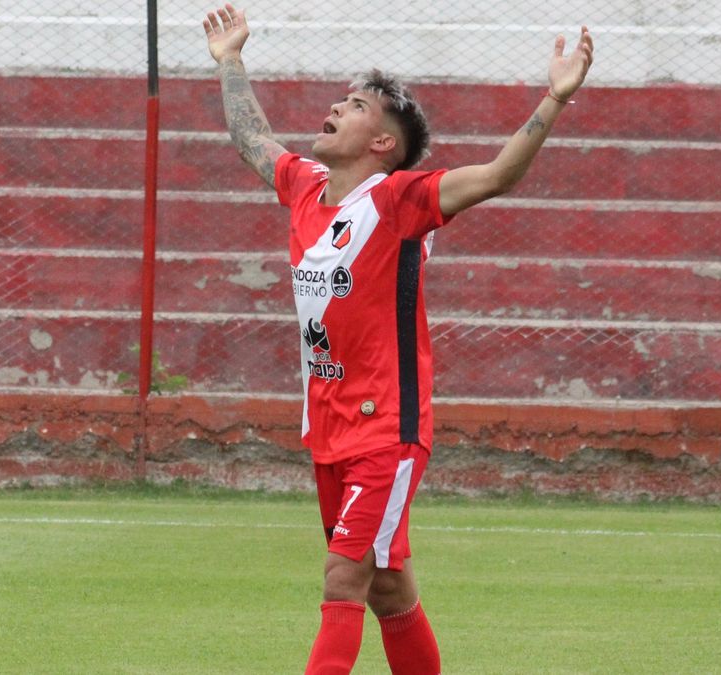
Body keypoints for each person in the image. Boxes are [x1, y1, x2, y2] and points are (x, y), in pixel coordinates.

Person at [203, 5, 593, 673]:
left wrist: (554, 98)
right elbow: (251, 139)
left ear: (382, 143)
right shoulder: (306, 187)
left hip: (385, 427)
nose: (336, 106)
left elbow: (496, 176)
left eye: (355, 106)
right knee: (388, 587)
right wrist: (231, 60)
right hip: (329, 425)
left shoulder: (397, 201)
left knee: (342, 579)